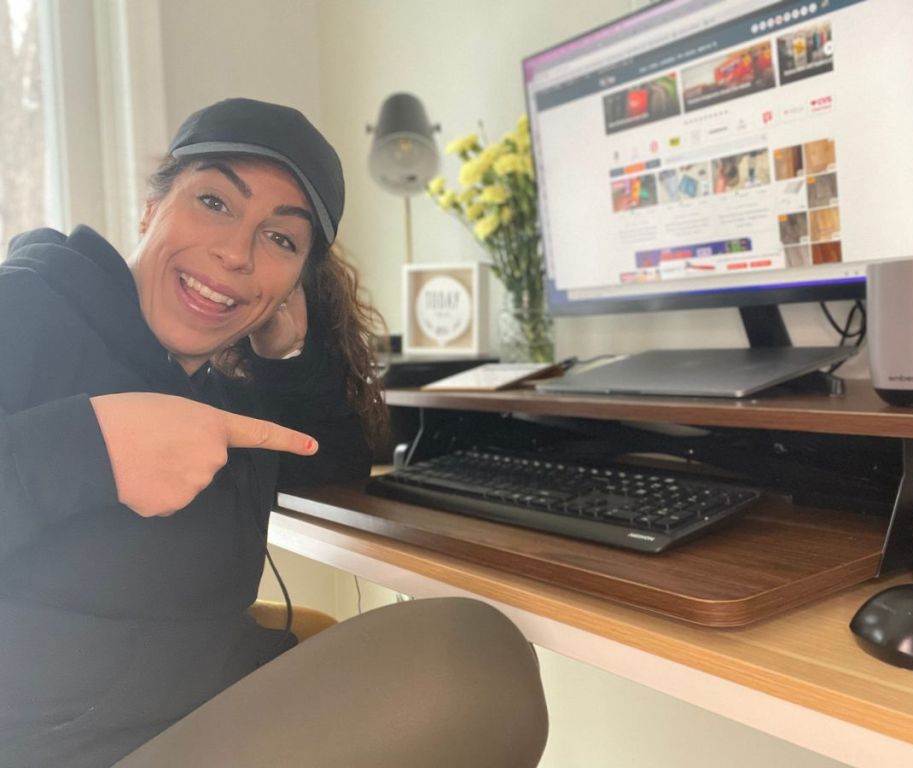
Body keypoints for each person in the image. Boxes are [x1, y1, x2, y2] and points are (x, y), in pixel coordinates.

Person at [0, 98, 547, 767]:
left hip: (200, 702)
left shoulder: (211, 394)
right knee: (474, 667)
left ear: (293, 283)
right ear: (152, 207)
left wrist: (286, 357)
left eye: (281, 240)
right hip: (77, 748)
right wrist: (93, 447)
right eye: (214, 202)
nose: (235, 253)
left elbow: (333, 461)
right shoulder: (28, 305)